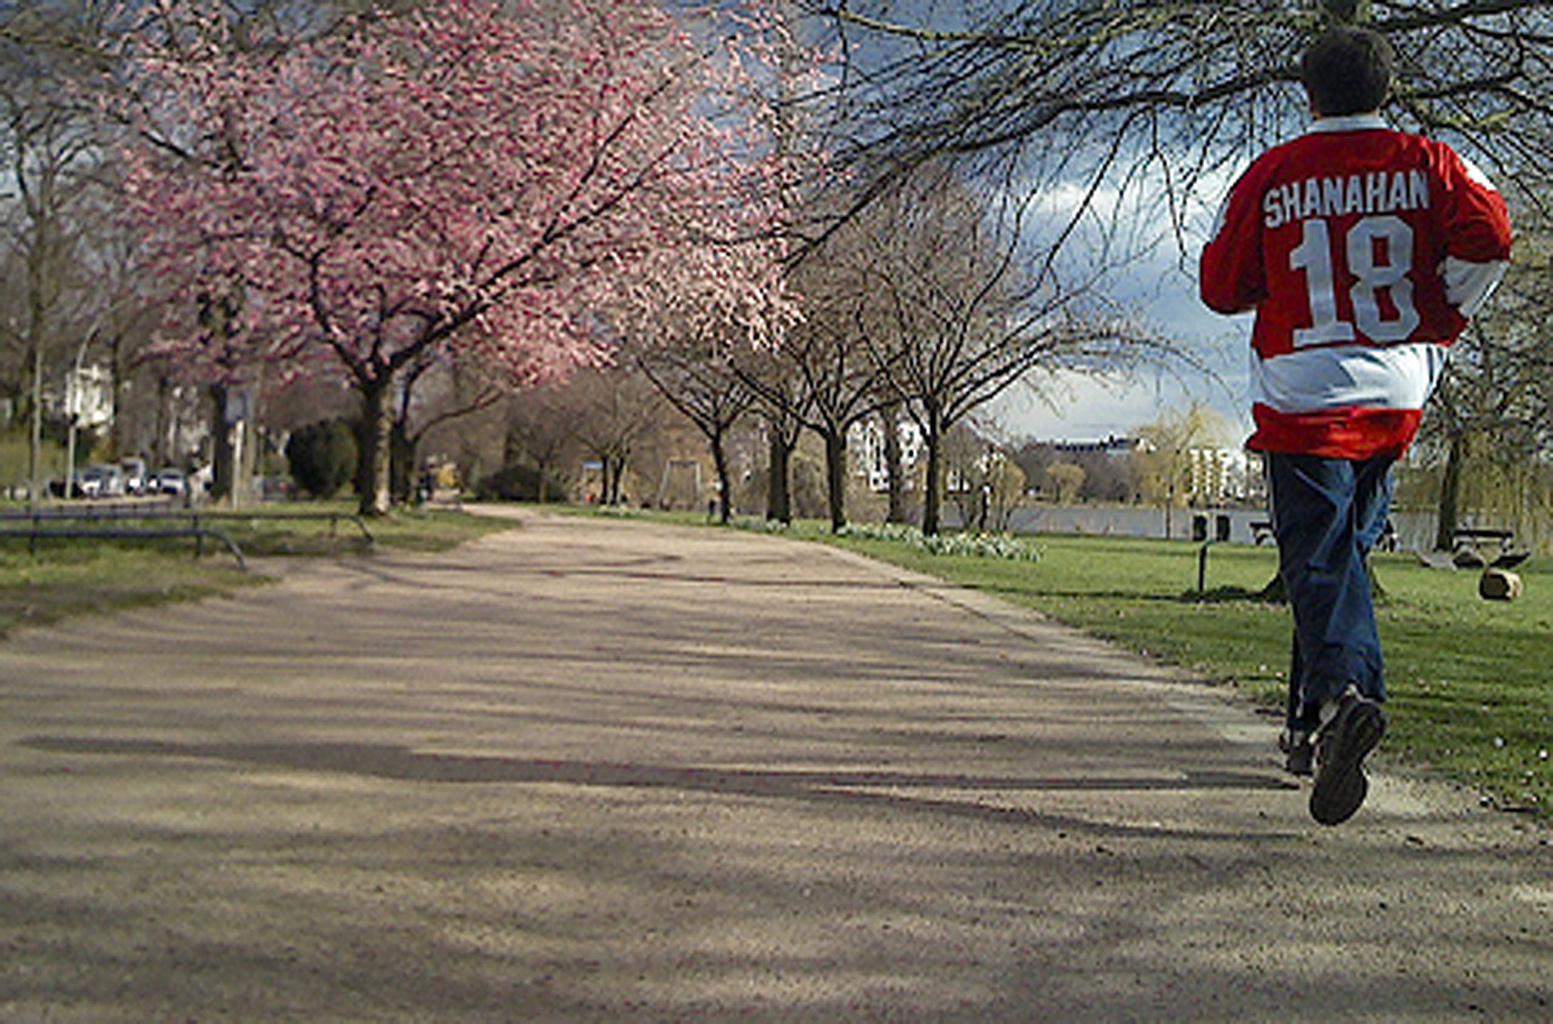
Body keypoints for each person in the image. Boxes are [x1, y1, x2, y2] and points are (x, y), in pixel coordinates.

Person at [1200, 27, 1511, 825]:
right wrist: (1444, 314)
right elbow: (1494, 235)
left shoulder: (1269, 175)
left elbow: (1219, 286)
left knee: (1319, 555)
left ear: (1306, 93)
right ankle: (1305, 726)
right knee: (1334, 555)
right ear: (1385, 88)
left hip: (1301, 391)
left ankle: (1343, 697)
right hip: (1395, 388)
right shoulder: (1431, 163)